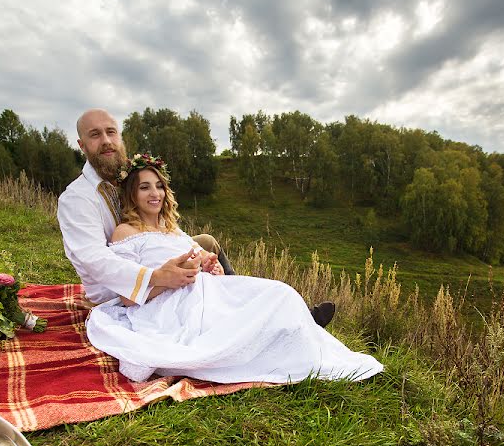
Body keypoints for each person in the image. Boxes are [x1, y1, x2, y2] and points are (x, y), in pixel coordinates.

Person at [84, 154, 383, 384]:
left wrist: (210, 265)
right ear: (131, 194)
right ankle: (299, 327)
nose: (155, 194)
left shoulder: (172, 230)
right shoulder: (124, 233)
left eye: (159, 186)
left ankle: (302, 322)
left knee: (282, 292)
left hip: (205, 289)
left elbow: (203, 258)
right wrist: (171, 278)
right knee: (265, 307)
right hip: (169, 307)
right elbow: (126, 297)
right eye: (144, 187)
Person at [57, 108, 336, 326]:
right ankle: (238, 301)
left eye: (111, 132)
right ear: (82, 145)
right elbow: (93, 260)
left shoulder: (124, 177)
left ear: (120, 138)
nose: (106, 141)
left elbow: (160, 231)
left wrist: (201, 257)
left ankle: (233, 287)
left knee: (206, 244)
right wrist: (157, 276)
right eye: (95, 135)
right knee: (198, 257)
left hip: (149, 254)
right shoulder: (77, 198)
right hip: (118, 288)